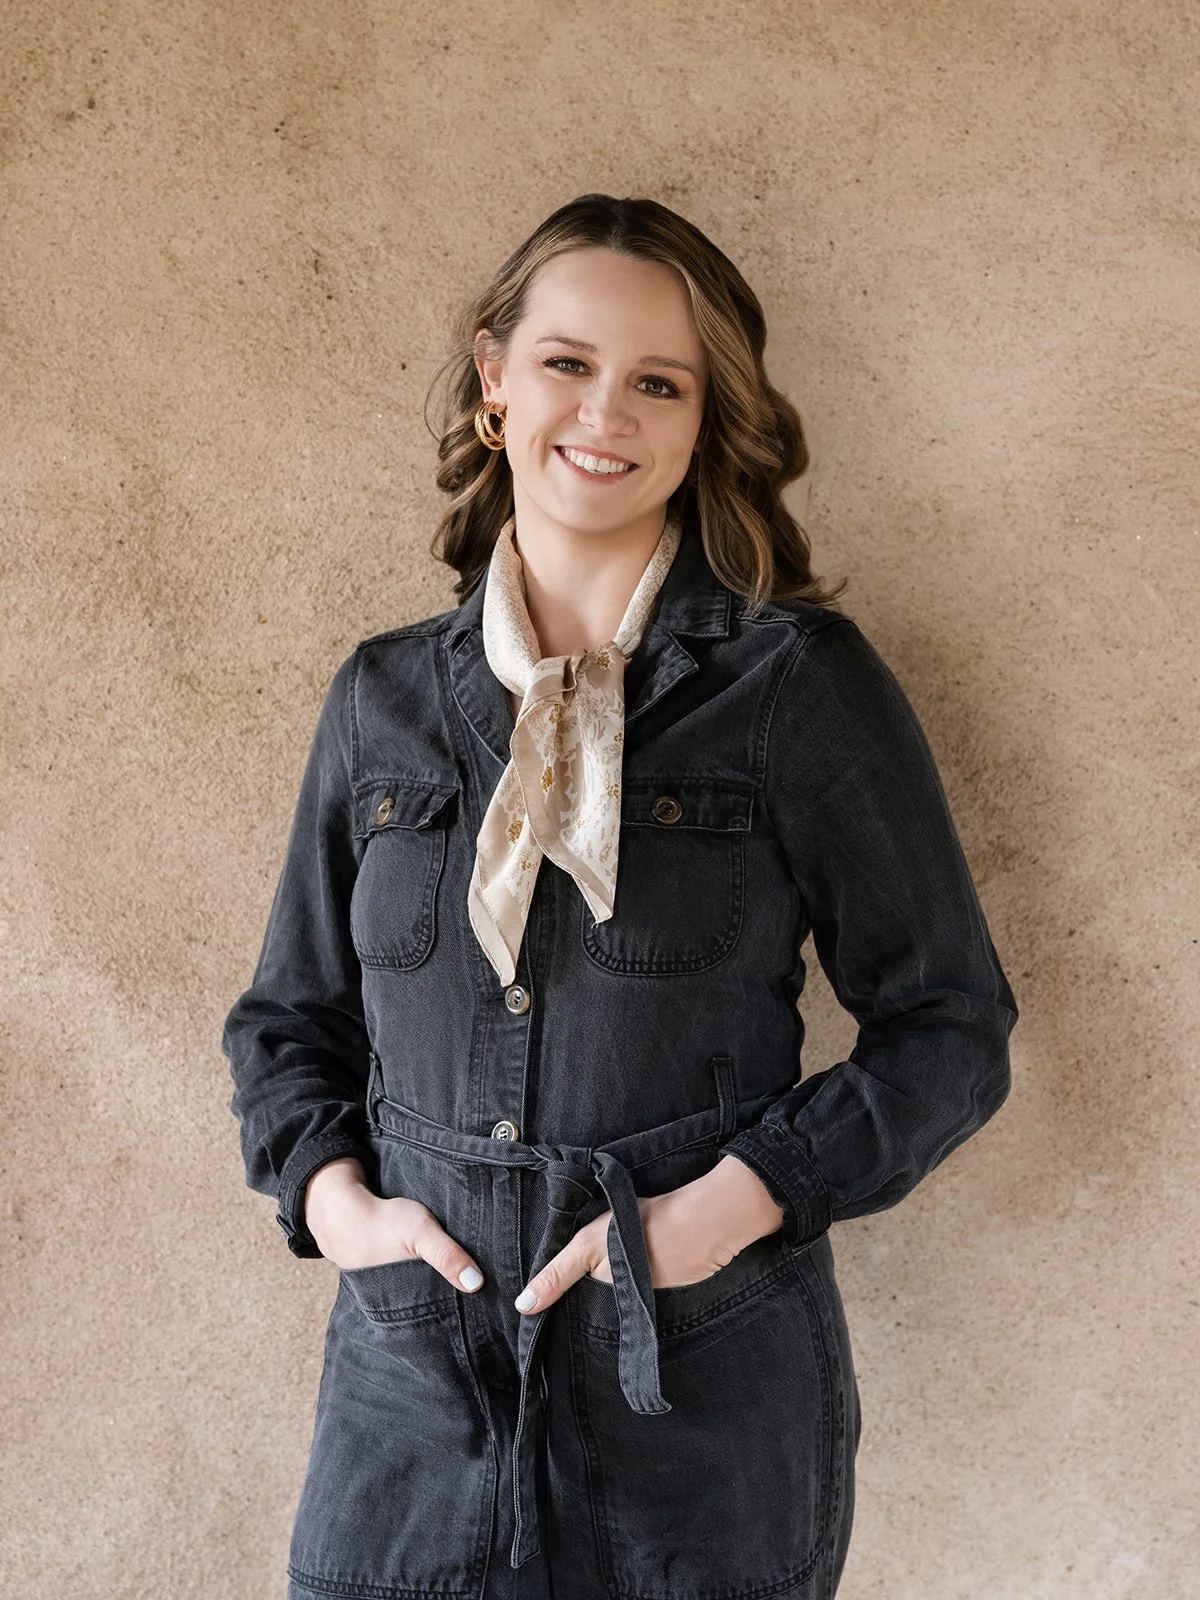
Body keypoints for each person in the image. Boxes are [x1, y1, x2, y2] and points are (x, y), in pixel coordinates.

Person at [222, 193, 1019, 1600]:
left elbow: (949, 1026)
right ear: (493, 380)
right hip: (412, 1385)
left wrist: (726, 1207)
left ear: (708, 418)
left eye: (662, 382)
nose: (608, 412)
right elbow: (289, 1023)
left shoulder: (798, 687)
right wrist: (346, 1212)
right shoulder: (383, 701)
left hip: (697, 1377)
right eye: (567, 364)